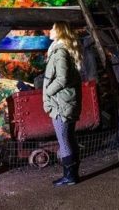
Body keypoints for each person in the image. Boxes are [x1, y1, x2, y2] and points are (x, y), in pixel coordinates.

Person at [43, 22, 83, 186]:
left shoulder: (59, 52)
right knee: (69, 138)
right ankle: (72, 175)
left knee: (64, 140)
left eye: (52, 28)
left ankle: (69, 176)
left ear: (59, 31)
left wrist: (47, 92)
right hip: (66, 101)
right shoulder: (62, 50)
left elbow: (62, 79)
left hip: (61, 103)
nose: (50, 30)